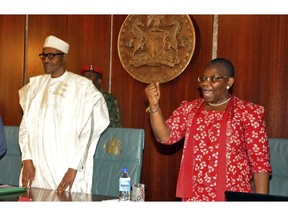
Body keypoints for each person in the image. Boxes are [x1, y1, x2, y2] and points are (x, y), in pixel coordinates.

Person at [145, 57, 272, 201]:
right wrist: (154, 107)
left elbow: (260, 165)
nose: (205, 83)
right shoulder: (189, 109)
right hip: (194, 198)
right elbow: (165, 137)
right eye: (203, 78)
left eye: (214, 79)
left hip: (230, 199)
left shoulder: (247, 112)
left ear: (229, 82)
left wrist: (262, 207)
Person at [18, 35, 110, 194]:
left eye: (52, 55)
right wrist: (26, 158)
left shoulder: (83, 87)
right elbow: (25, 127)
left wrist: (74, 167)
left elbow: (90, 132)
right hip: (36, 167)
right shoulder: (34, 87)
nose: (46, 60)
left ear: (64, 58)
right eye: (44, 55)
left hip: (65, 165)